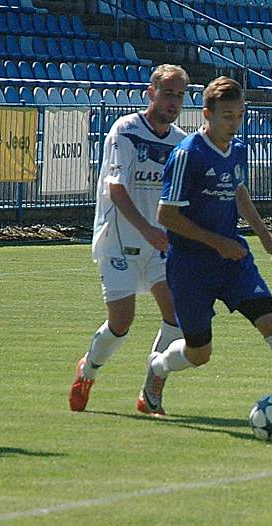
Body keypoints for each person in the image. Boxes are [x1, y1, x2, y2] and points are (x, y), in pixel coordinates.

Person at [140, 76, 272, 433]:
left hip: (234, 262)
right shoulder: (188, 153)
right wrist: (217, 242)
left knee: (271, 324)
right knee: (199, 353)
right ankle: (157, 369)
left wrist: (265, 237)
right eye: (227, 117)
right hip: (190, 267)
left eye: (239, 116)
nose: (234, 124)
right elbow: (166, 215)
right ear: (207, 114)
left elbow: (238, 193)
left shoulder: (238, 150)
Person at [68, 64, 190, 415]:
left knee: (175, 315)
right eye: (168, 93)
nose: (173, 101)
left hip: (160, 245)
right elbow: (116, 188)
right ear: (151, 93)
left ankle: (151, 389)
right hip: (119, 239)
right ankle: (87, 370)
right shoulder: (125, 131)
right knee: (122, 322)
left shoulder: (180, 141)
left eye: (180, 96)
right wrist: (147, 229)